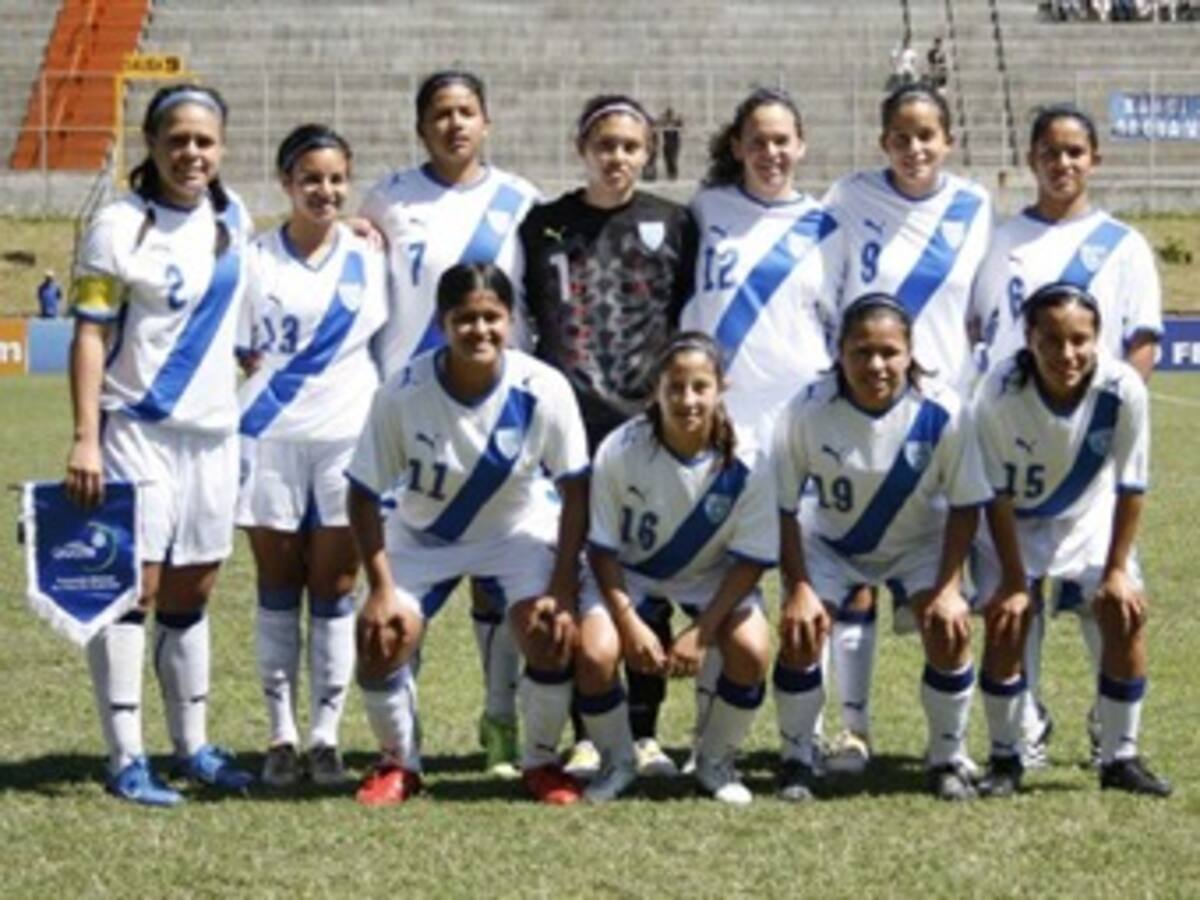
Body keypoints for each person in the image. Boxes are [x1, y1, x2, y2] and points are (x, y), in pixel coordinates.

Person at [65, 83, 255, 806]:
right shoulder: (119, 224)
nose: (192, 153)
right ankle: (126, 757)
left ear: (222, 147)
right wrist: (87, 437)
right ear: (152, 144)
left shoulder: (232, 218)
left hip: (215, 437)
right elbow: (89, 334)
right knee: (132, 591)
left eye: (205, 140)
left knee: (193, 591)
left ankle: (194, 746)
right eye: (177, 139)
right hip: (137, 432)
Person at [345, 262, 591, 807]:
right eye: (465, 319)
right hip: (422, 534)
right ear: (442, 322)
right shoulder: (402, 392)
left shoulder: (543, 387)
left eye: (491, 318)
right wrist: (381, 587)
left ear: (511, 320)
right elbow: (363, 493)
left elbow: (576, 489)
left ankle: (541, 762)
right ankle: (398, 763)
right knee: (381, 636)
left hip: (514, 532)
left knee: (550, 632)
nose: (479, 330)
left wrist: (562, 583)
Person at [359, 70, 541, 778]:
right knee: (405, 584)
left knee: (498, 580)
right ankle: (402, 744)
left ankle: (500, 719)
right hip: (409, 418)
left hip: (497, 423)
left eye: (467, 112)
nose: (455, 125)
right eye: (441, 114)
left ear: (486, 122)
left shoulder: (521, 201)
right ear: (420, 126)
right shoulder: (388, 197)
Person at [968, 104, 1162, 768]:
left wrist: (1086, 424)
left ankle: (1118, 747)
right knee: (1012, 611)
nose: (1063, 163)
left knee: (1113, 606)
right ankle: (1021, 736)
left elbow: (1139, 345)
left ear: (1095, 160)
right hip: (1012, 446)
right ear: (1031, 159)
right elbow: (978, 330)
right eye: (1050, 151)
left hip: (1086, 471)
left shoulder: (1124, 244)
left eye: (1076, 151)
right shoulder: (997, 238)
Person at [520, 93, 698, 780]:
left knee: (641, 577)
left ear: (648, 151)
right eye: (605, 145)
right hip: (571, 426)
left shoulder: (673, 222)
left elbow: (681, 313)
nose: (616, 157)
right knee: (582, 575)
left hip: (646, 426)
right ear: (581, 148)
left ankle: (645, 730)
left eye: (630, 146)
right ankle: (589, 729)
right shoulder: (545, 225)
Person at [820, 83, 991, 774]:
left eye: (928, 135)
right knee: (854, 573)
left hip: (941, 424)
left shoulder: (976, 207)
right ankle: (850, 734)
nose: (915, 148)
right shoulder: (846, 198)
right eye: (901, 135)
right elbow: (827, 297)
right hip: (861, 409)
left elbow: (983, 315)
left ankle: (949, 746)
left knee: (944, 592)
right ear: (881, 141)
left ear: (947, 139)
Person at [772, 294, 991, 802]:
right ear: (840, 353)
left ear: (910, 352)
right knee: (802, 631)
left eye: (889, 352)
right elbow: (782, 507)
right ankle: (798, 759)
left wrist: (949, 587)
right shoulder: (806, 408)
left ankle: (946, 758)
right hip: (830, 544)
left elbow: (965, 505)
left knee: (948, 626)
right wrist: (800, 588)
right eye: (861, 352)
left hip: (919, 542)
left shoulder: (944, 411)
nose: (876, 365)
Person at [971, 282, 1171, 798]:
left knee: (1124, 614)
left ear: (1097, 339)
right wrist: (1015, 582)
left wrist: (1115, 571)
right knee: (1007, 619)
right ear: (1029, 338)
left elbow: (1131, 485)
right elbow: (993, 494)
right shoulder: (997, 391)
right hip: (1013, 523)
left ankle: (1120, 756)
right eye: (1052, 340)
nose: (1067, 353)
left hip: (1089, 518)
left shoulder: (1123, 388)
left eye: (1080, 339)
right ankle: (1005, 756)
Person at [236, 124, 388, 787]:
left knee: (334, 587)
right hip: (266, 437)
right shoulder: (251, 259)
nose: (324, 191)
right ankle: (280, 734)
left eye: (334, 179)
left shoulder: (369, 257)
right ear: (285, 183)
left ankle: (325, 737)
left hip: (347, 438)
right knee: (276, 585)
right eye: (310, 179)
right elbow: (236, 351)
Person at [575, 332, 776, 805]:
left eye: (700, 387)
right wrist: (629, 623)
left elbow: (751, 561)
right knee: (594, 653)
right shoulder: (620, 450)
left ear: (720, 389)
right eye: (676, 387)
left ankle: (714, 761)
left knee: (750, 649)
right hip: (632, 574)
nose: (688, 400)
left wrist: (703, 631)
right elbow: (602, 549)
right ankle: (617, 761)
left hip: (713, 578)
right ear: (656, 391)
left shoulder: (750, 459)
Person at [683, 86, 842, 443]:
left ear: (801, 145)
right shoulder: (705, 210)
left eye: (781, 141)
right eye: (757, 142)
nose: (771, 153)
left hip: (801, 407)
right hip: (723, 405)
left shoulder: (826, 227)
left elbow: (836, 321)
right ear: (737, 147)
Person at [659, 106, 684, 181]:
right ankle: (670, 175)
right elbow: (658, 124)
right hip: (667, 144)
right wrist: (662, 118)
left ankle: (674, 175)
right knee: (667, 159)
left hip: (674, 144)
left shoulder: (675, 122)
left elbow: (681, 125)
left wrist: (680, 118)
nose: (669, 116)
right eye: (668, 114)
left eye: (670, 114)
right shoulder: (665, 122)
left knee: (673, 159)